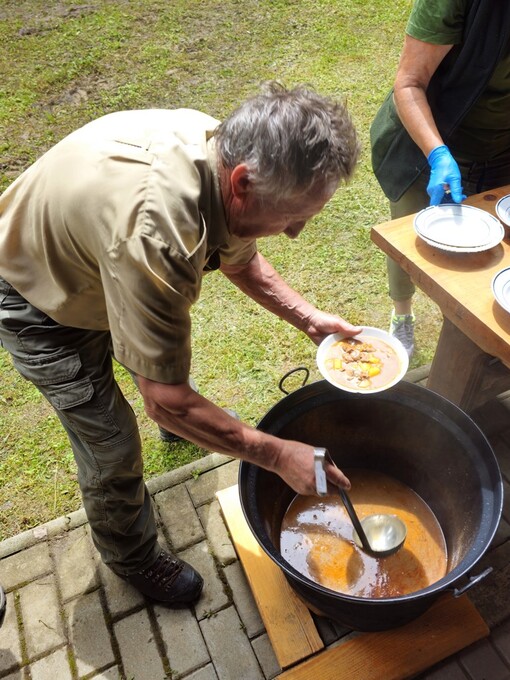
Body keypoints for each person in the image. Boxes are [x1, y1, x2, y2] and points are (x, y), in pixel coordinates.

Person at [0, 82, 361, 607]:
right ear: (241, 183)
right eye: (293, 216)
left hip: (102, 264)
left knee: (168, 367)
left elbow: (240, 257)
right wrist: (277, 454)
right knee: (113, 445)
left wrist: (308, 319)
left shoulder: (227, 157)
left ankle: (189, 432)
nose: (297, 232)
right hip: (39, 300)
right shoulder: (159, 233)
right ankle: (133, 558)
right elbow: (164, 399)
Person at [370, 0, 510, 358]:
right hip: (431, 137)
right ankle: (402, 313)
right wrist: (437, 154)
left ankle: (466, 339)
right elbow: (410, 82)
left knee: (490, 260)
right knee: (410, 235)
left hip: (502, 149)